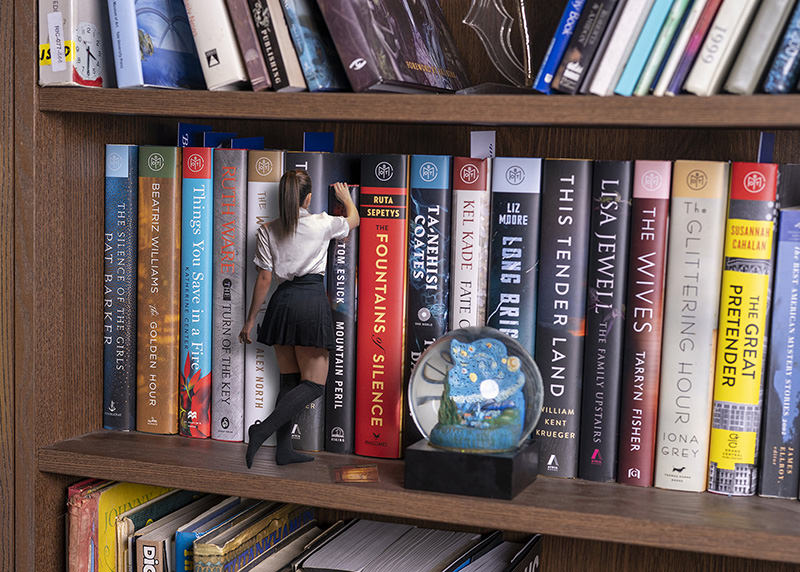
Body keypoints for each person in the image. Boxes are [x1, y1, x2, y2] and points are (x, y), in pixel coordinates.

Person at [239, 170, 359, 467]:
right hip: (309, 300)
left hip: (282, 303)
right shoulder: (321, 222)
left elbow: (265, 279)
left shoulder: (268, 229)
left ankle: (283, 450)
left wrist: (250, 320)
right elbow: (353, 222)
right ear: (307, 197)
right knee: (315, 385)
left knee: (290, 382)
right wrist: (346, 200)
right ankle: (262, 430)